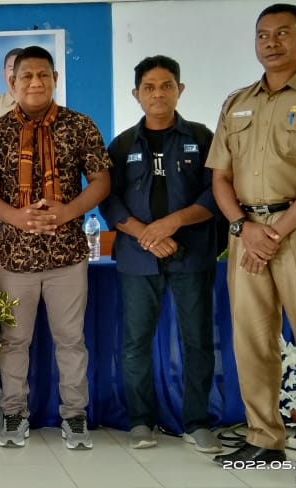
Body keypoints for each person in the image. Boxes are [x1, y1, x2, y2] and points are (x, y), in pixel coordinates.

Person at [207, 4, 296, 485]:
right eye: (263, 35)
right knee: (252, 342)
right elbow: (221, 177)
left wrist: (276, 231)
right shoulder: (237, 102)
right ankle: (264, 439)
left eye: (283, 34)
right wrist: (242, 227)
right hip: (246, 232)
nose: (271, 42)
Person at [0, 45, 111, 450]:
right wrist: (14, 217)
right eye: (26, 76)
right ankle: (14, 414)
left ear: (54, 79)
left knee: (71, 340)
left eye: (43, 75)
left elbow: (101, 181)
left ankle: (75, 416)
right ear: (12, 83)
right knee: (14, 342)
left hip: (67, 254)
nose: (35, 82)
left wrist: (68, 211)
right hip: (14, 257)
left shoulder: (80, 125)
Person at [98, 55, 223, 453]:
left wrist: (172, 224)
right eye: (149, 87)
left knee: (198, 340)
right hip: (138, 257)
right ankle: (139, 421)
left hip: (192, 254)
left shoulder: (202, 138)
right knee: (136, 342)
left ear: (179, 90)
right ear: (136, 94)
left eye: (166, 85)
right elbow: (110, 202)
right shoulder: (120, 145)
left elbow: (215, 193)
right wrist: (148, 234)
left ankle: (196, 421)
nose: (158, 94)